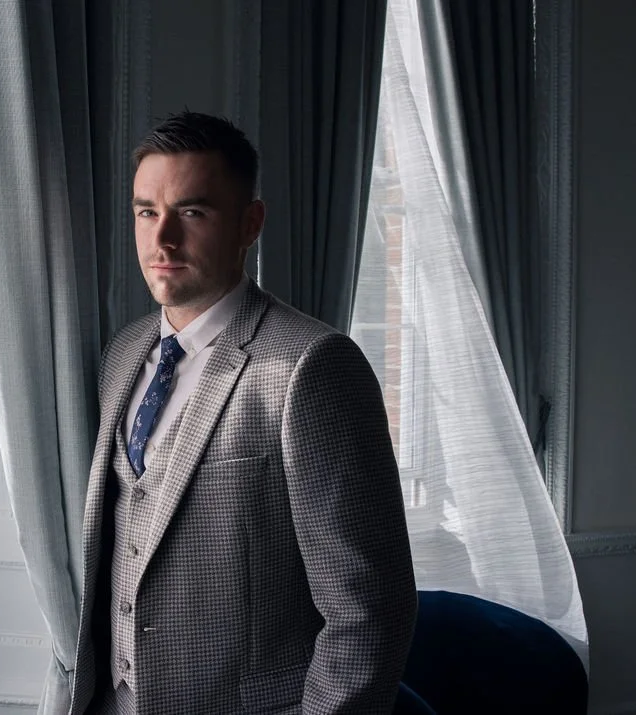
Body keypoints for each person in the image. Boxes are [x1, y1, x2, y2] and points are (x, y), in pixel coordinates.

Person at [69, 111, 417, 714]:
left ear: (249, 223)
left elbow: (369, 609)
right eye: (147, 212)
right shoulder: (123, 353)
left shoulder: (312, 366)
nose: (163, 240)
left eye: (193, 212)